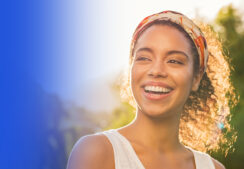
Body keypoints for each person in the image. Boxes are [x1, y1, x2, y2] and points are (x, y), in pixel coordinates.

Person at [66, 10, 237, 169]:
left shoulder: (212, 167)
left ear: (196, 78)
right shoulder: (96, 152)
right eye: (144, 58)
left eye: (174, 61)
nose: (156, 71)